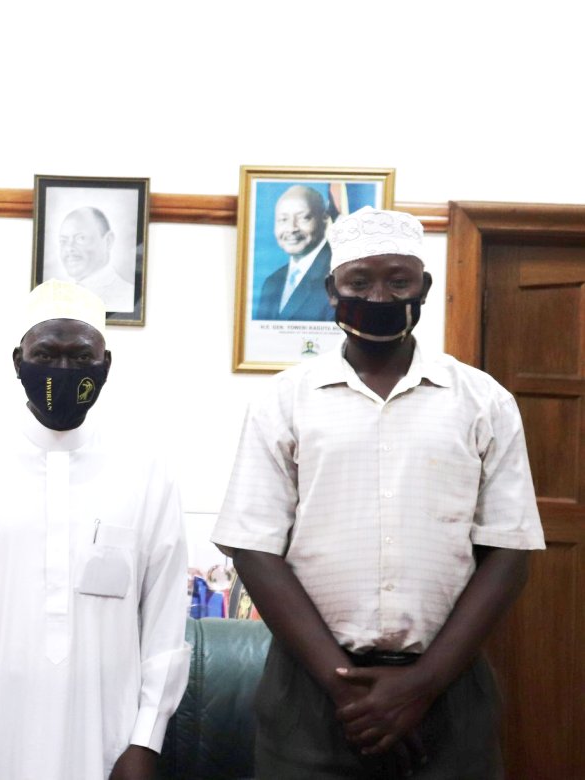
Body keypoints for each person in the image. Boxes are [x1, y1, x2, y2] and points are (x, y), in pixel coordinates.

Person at [212, 208, 544, 779]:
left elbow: (510, 551)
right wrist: (347, 693)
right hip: (309, 696)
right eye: (359, 282)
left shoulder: (482, 401)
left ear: (425, 288)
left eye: (399, 280)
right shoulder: (284, 401)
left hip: (447, 690)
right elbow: (253, 548)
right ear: (331, 290)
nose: (380, 296)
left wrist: (422, 685)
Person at [0, 279, 191, 780]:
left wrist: (146, 741)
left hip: (108, 735)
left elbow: (166, 617)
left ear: (106, 365)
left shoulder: (146, 469)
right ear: (18, 361)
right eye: (46, 353)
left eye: (81, 357)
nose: (63, 370)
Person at [253, 185, 335, 321]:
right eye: (283, 220)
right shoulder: (272, 283)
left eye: (304, 218)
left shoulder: (338, 277)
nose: (291, 228)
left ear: (325, 218)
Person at [56, 206, 135, 312]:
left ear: (108, 241)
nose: (69, 248)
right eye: (63, 241)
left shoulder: (128, 298)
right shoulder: (56, 300)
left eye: (81, 238)